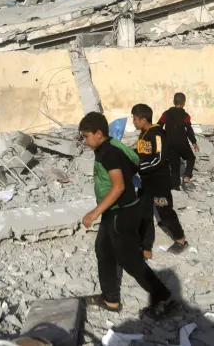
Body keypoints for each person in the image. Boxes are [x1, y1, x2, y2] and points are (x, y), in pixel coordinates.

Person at [79, 111, 175, 319]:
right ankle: (110, 299)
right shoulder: (110, 145)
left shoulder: (109, 153)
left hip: (121, 214)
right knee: (103, 251)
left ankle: (165, 297)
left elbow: (119, 186)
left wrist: (95, 211)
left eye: (86, 136)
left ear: (98, 133)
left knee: (130, 261)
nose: (84, 141)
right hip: (113, 212)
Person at [131, 104, 188, 258]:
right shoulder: (143, 133)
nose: (133, 122)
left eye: (135, 119)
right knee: (145, 213)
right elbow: (142, 151)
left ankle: (181, 239)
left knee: (165, 212)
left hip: (159, 182)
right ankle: (146, 247)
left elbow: (159, 159)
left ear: (143, 119)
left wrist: (140, 166)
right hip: (145, 181)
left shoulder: (157, 134)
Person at [158, 93, 200, 189]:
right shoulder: (186, 116)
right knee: (191, 158)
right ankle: (187, 177)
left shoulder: (166, 114)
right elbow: (189, 130)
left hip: (170, 143)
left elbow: (159, 126)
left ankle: (175, 187)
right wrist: (194, 142)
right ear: (184, 103)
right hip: (182, 143)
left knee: (174, 166)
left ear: (174, 102)